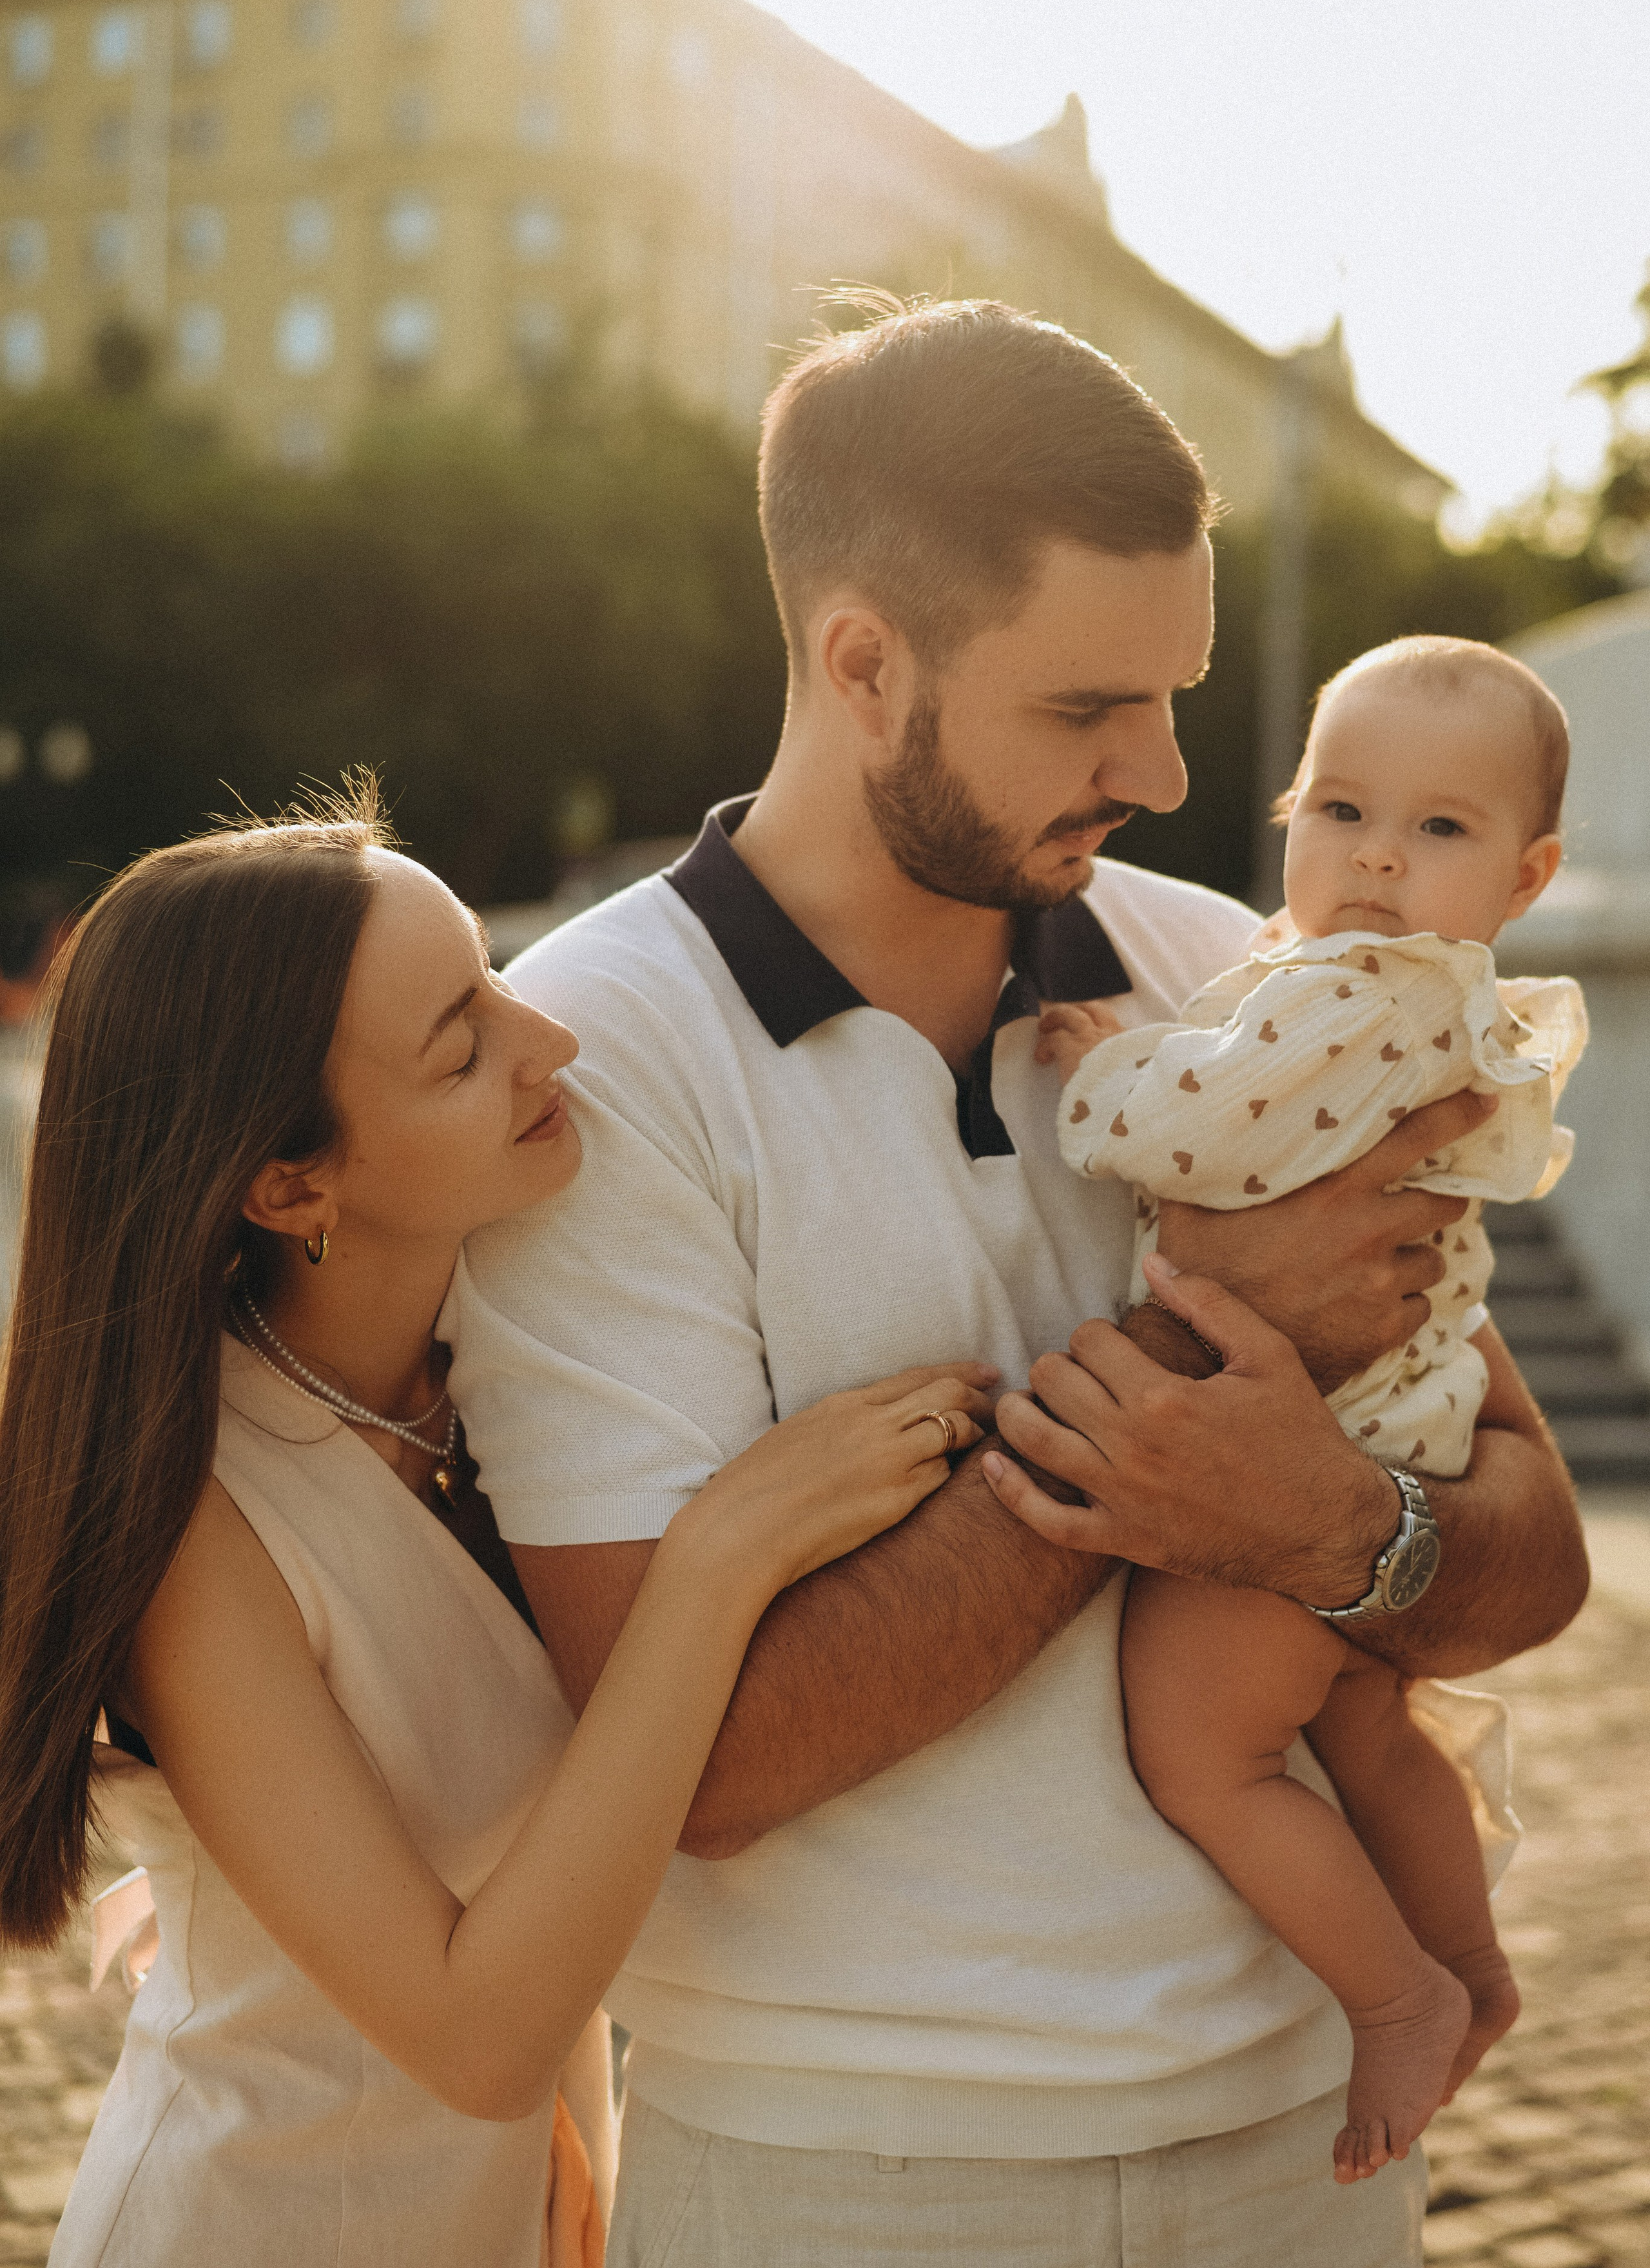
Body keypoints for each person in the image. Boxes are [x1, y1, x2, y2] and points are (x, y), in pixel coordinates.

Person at [443, 300, 1590, 2268]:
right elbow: (696, 1764)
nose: (1162, 767)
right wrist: (1188, 1352)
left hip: (1303, 2134)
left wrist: (1331, 1517)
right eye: (1087, 709)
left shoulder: (1236, 967)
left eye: (1179, 694)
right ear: (864, 663)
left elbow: (1539, 1550)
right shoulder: (590, 1066)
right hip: (848, 2172)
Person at [0, 792, 988, 2268]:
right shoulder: (197, 1523)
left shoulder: (509, 1362)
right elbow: (474, 2038)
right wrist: (713, 1568)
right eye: (462, 1042)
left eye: (497, 980)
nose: (553, 1043)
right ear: (290, 1183)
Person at [1034, 636, 1586, 2182]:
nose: (1374, 858)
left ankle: (1395, 1992)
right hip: (1396, 1410)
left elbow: (1203, 1130)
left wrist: (1103, 1072)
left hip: (1322, 1432)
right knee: (1354, 1711)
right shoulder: (1399, 982)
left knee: (1200, 1749)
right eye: (1339, 809)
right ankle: (1469, 1965)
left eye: (1438, 830)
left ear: (1526, 873)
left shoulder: (1352, 993)